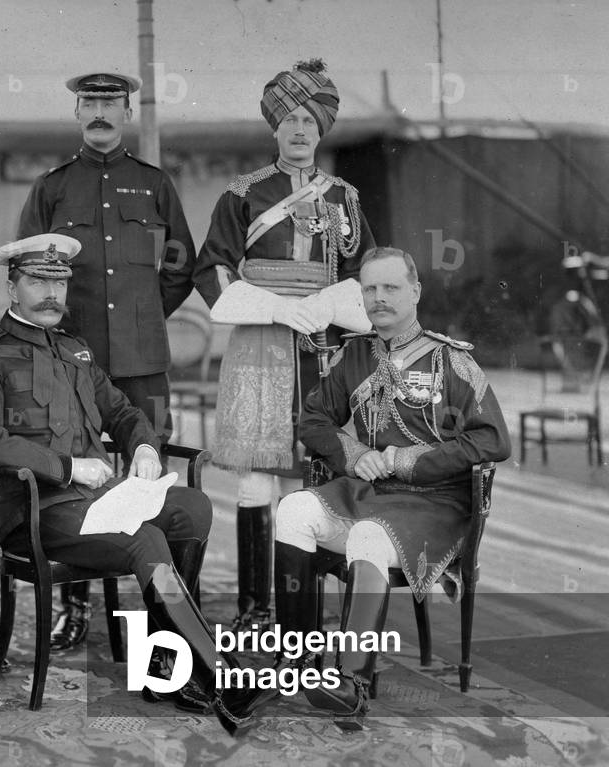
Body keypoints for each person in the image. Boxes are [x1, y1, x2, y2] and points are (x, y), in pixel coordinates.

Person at [0, 234, 270, 734]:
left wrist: (144, 446)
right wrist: (67, 466)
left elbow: (122, 411)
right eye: (37, 280)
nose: (51, 293)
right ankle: (215, 673)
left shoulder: (76, 352)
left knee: (193, 508)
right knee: (143, 536)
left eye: (58, 282)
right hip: (41, 512)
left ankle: (166, 665)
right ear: (12, 287)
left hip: (98, 504)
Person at [272, 246, 511, 729]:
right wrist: (355, 455)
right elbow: (312, 421)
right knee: (292, 509)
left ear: (416, 291)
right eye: (370, 289)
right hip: (373, 494)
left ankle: (352, 682)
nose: (378, 298)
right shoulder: (354, 354)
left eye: (390, 288)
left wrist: (408, 460)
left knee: (367, 537)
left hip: (437, 502)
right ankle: (295, 663)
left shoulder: (451, 360)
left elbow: (492, 438)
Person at [192, 59, 376, 632]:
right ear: (274, 127)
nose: (299, 130)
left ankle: (307, 608)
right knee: (255, 475)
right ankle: (255, 607)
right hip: (259, 343)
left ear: (322, 130)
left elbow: (365, 273)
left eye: (309, 120)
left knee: (321, 474)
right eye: (289, 119)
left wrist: (331, 310)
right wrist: (275, 307)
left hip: (326, 349)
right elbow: (213, 269)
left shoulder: (345, 198)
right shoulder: (242, 193)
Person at [17, 70, 198, 651]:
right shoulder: (52, 188)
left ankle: (162, 612)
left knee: (147, 471)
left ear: (127, 112)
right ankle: (74, 606)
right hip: (70, 357)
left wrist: (142, 316)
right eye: (89, 102)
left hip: (143, 362)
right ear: (76, 111)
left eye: (110, 102)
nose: (100, 112)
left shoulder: (153, 185)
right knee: (74, 473)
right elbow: (25, 269)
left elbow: (179, 267)